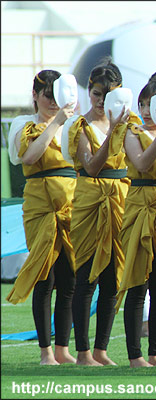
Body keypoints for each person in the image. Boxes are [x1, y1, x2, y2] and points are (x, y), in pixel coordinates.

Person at [62, 58, 136, 366]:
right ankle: (82, 352)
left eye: (108, 94)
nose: (102, 101)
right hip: (90, 201)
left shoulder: (130, 125)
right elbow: (91, 165)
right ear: (88, 92)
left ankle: (101, 350)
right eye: (96, 93)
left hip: (120, 200)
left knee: (113, 279)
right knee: (86, 276)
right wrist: (113, 133)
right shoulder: (80, 126)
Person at [6, 70, 77, 365]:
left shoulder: (73, 125)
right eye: (47, 95)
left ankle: (63, 348)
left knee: (69, 277)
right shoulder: (26, 124)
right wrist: (56, 122)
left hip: (72, 204)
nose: (52, 101)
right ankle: (45, 351)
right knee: (44, 276)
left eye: (56, 95)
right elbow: (30, 157)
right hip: (41, 206)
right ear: (35, 96)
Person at [113, 76, 156, 368]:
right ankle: (134, 355)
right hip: (140, 204)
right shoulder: (133, 130)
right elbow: (141, 164)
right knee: (138, 282)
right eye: (149, 105)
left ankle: (155, 353)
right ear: (141, 105)